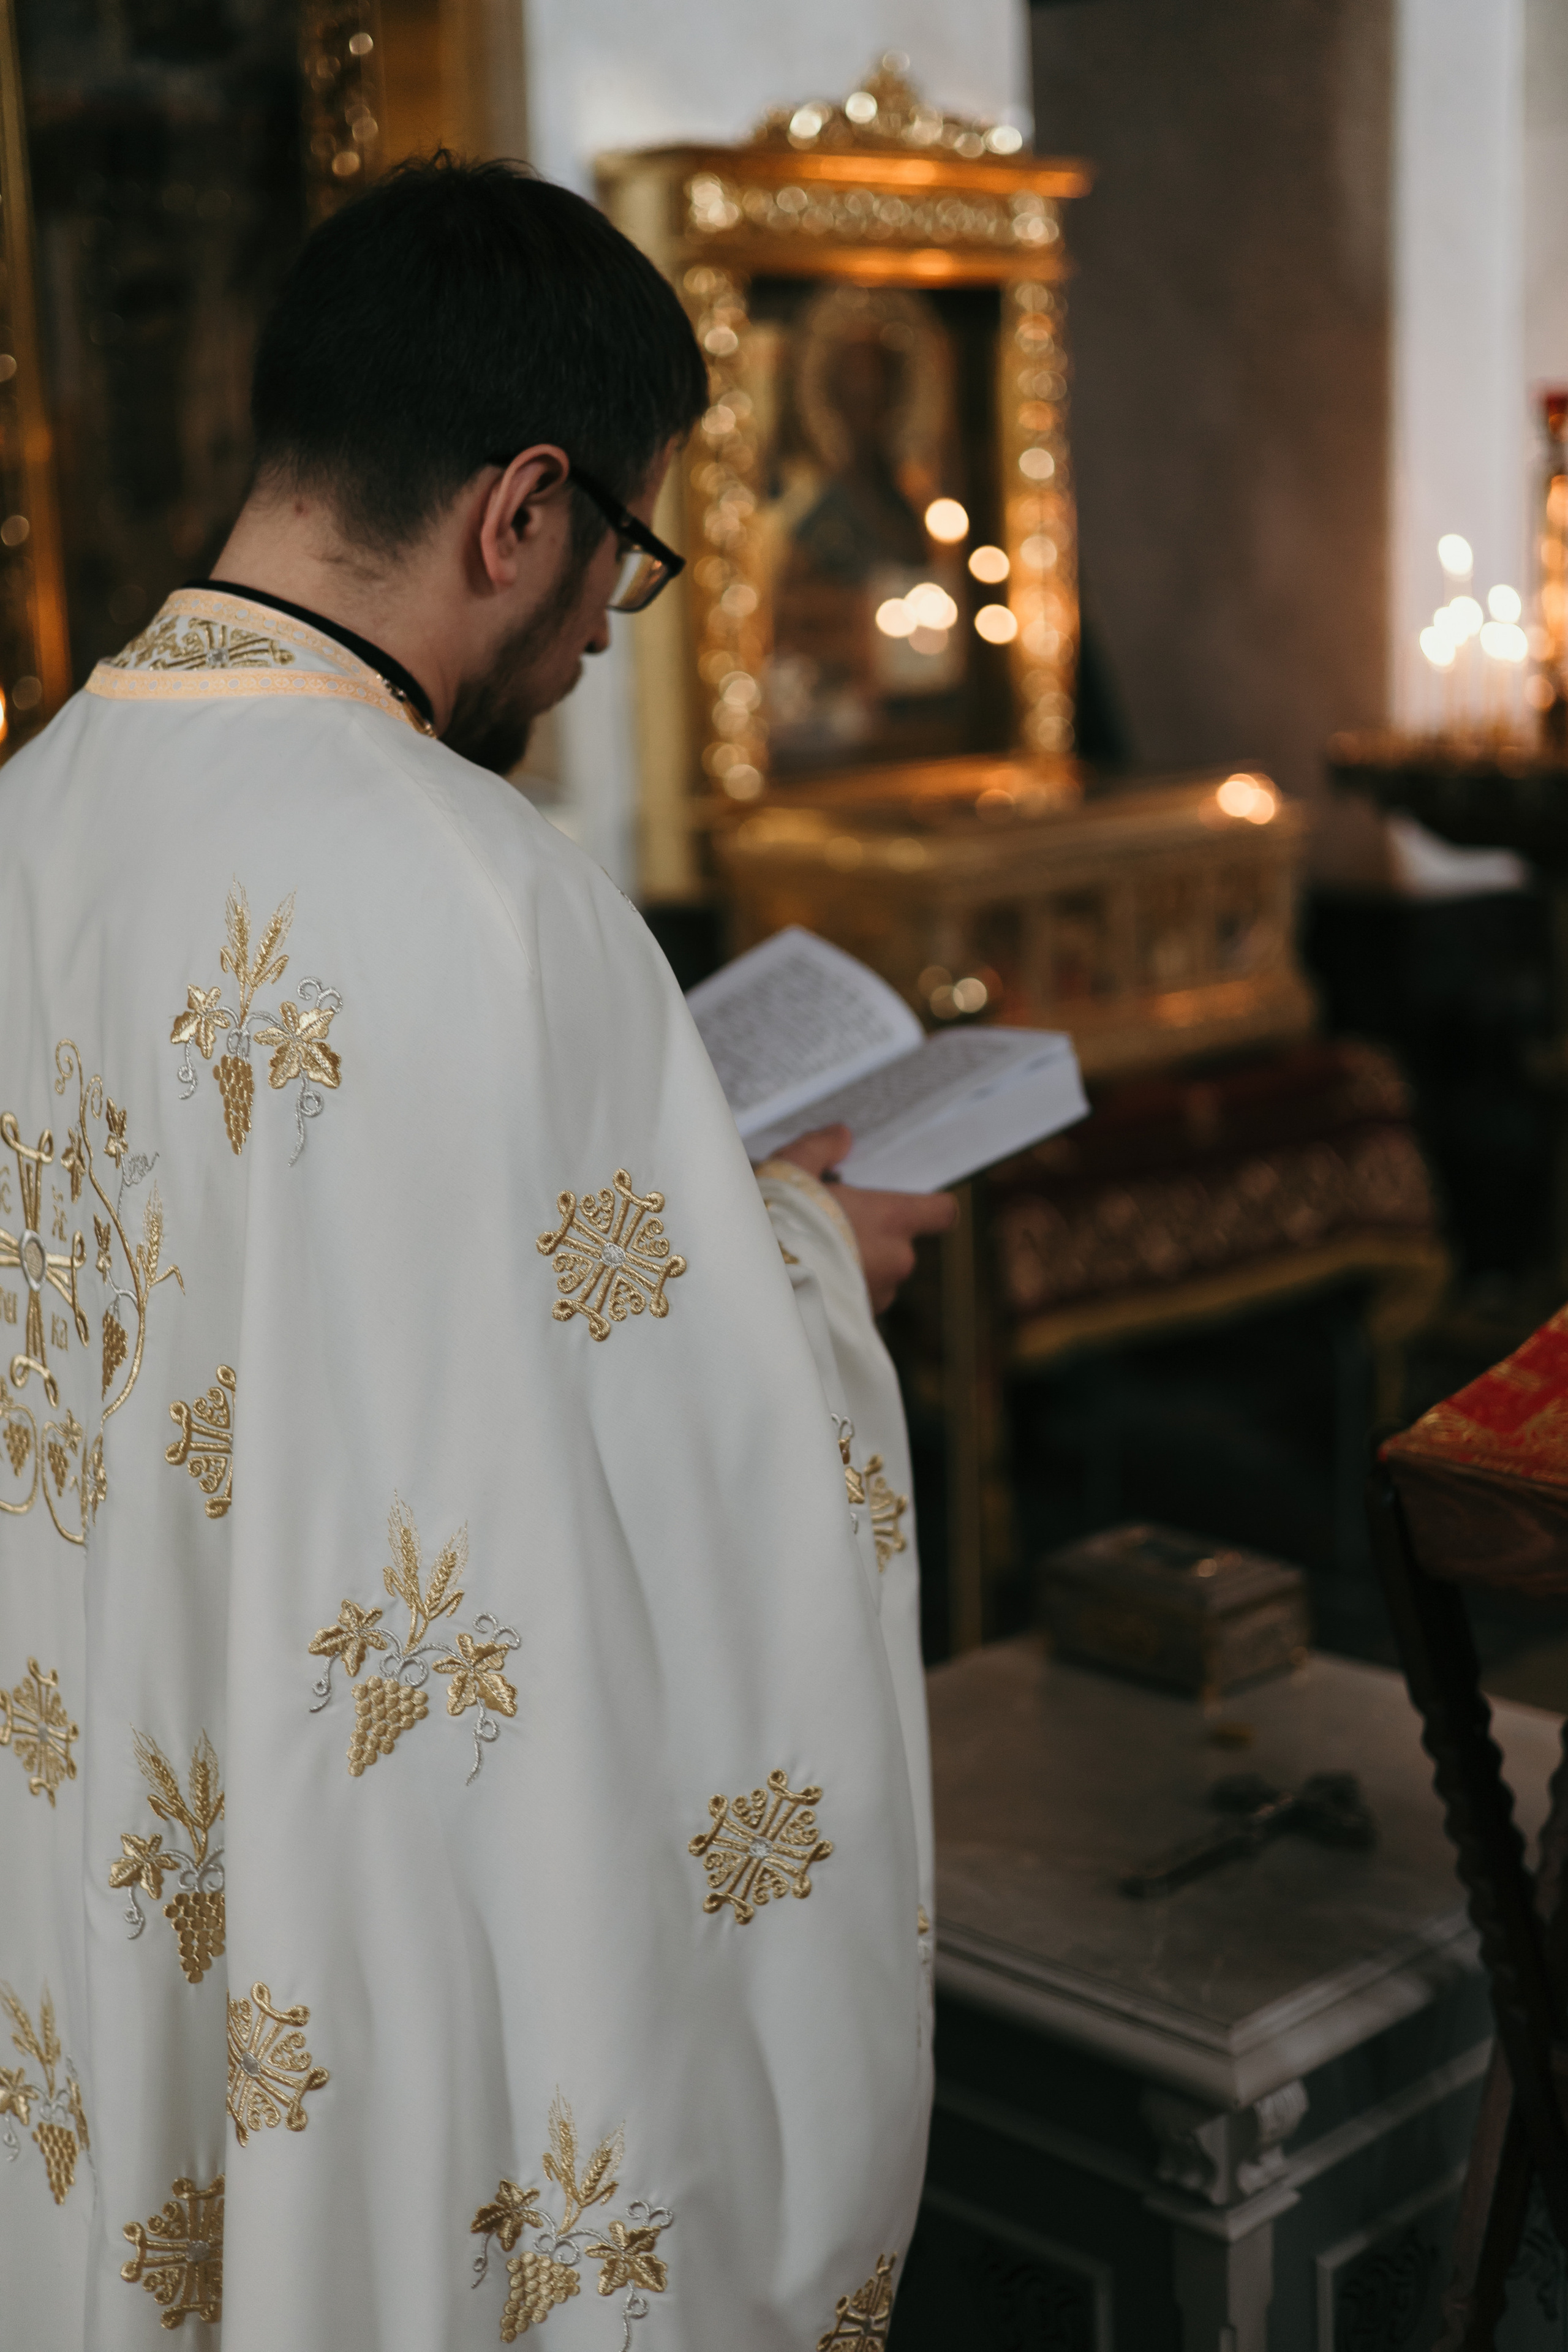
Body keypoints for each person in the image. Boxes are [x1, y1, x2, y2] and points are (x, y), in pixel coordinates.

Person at [0, 154, 955, 2350]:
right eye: (626, 548)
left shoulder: (38, 810)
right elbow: (663, 1484)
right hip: (348, 1918)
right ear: (522, 510)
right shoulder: (476, 892)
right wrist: (817, 1261)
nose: (617, 622)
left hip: (95, 1841)